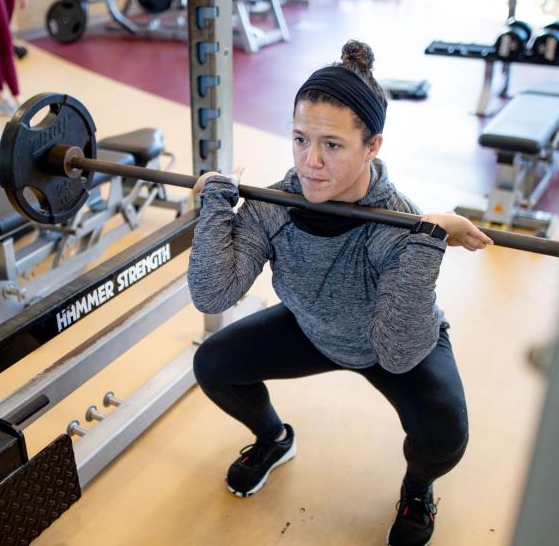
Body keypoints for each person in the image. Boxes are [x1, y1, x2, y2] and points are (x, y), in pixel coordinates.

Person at [188, 40, 493, 546]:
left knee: (445, 434)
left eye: (332, 145)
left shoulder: (396, 223)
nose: (310, 162)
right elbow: (213, 294)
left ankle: (417, 489)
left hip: (393, 339)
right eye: (300, 138)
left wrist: (429, 238)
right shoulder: (276, 204)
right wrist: (218, 206)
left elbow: (397, 353)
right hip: (312, 326)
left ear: (372, 146)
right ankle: (274, 439)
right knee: (213, 364)